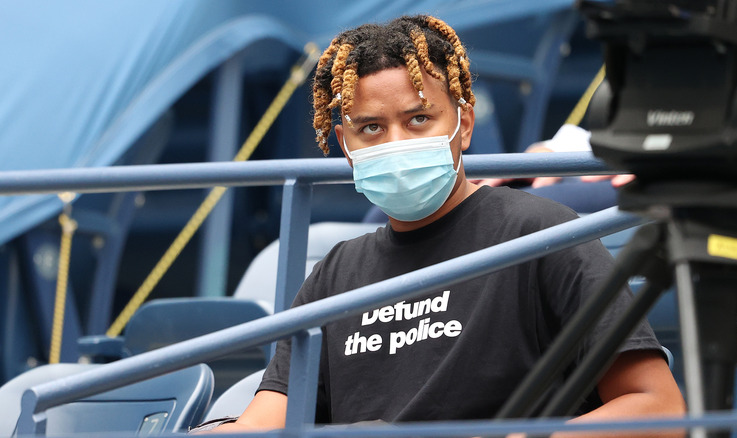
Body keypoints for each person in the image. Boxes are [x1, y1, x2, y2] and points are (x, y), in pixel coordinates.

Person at [207, 14, 685, 436]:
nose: (395, 143)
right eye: (371, 127)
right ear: (344, 143)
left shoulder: (541, 234)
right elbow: (263, 421)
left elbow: (657, 409)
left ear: (465, 123)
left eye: (418, 119)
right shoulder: (333, 276)